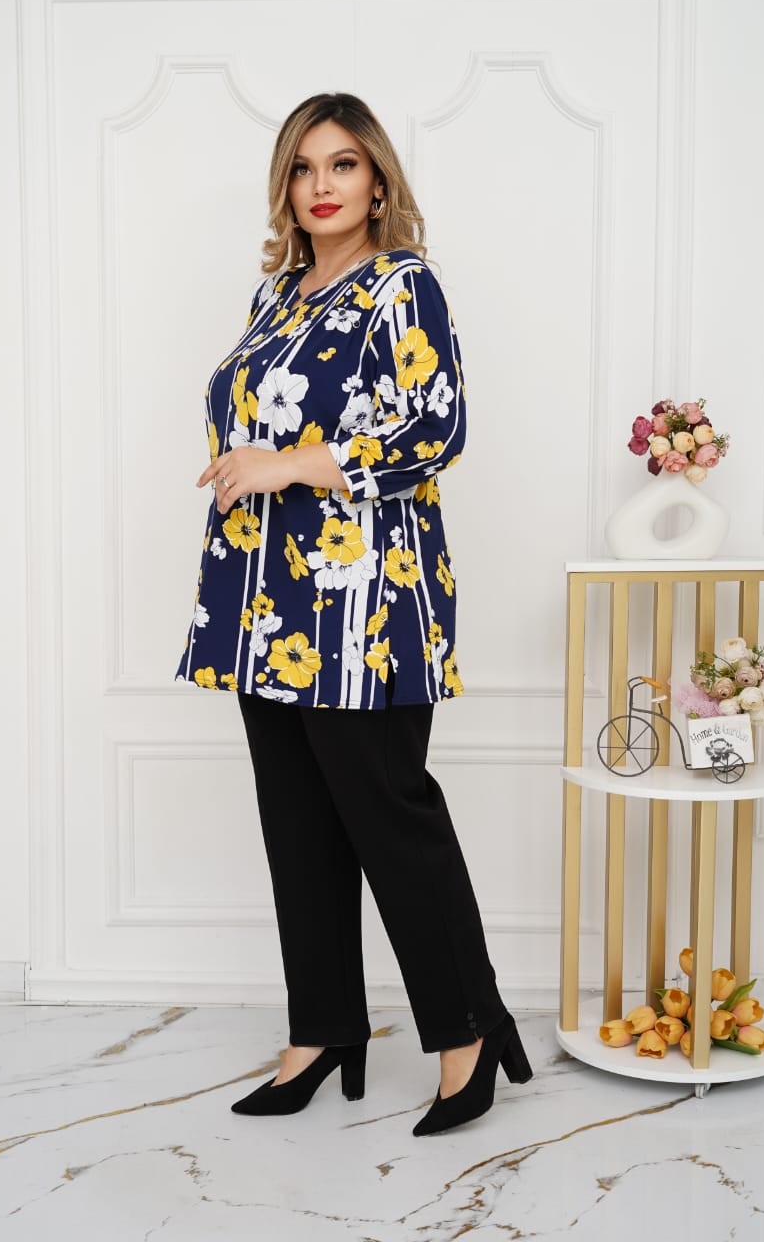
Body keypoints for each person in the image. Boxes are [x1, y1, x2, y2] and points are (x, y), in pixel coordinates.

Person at [175, 92, 532, 1136]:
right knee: (297, 824)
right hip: (262, 599)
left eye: (341, 164)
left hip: (365, 606)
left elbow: (433, 427)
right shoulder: (275, 294)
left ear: (377, 181)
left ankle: (467, 1030)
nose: (321, 185)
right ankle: (323, 1029)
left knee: (390, 818)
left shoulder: (402, 285)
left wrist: (283, 463)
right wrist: (242, 466)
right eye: (302, 167)